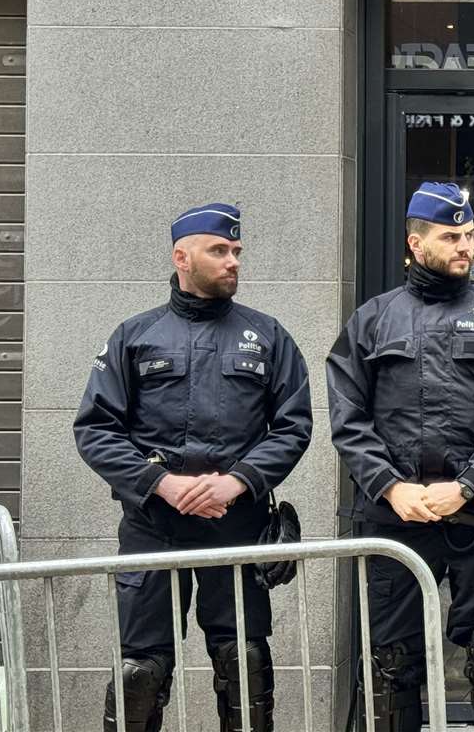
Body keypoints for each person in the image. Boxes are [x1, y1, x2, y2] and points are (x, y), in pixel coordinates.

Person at [74, 202, 313, 732]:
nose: (233, 261)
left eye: (237, 252)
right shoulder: (134, 337)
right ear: (182, 256)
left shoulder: (267, 336)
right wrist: (159, 482)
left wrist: (236, 481)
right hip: (153, 527)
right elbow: (94, 429)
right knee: (140, 672)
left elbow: (295, 425)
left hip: (237, 526)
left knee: (244, 665)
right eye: (219, 250)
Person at [327, 182, 474, 731]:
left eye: (469, 235)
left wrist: (467, 486)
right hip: (397, 518)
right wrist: (391, 487)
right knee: (392, 665)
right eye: (451, 236)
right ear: (416, 243)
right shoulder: (373, 320)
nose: (465, 246)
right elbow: (348, 419)